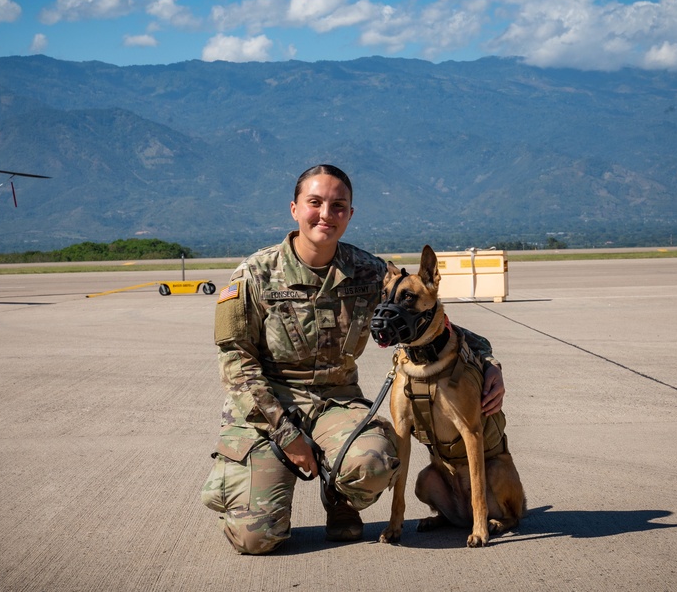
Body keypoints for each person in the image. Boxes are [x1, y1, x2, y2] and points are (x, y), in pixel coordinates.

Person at [200, 164, 506, 554]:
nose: (326, 214)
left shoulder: (370, 273)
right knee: (256, 539)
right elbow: (236, 367)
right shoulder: (253, 274)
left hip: (336, 403)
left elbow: (431, 322)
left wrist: (487, 359)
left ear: (349, 214)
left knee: (376, 461)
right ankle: (260, 488)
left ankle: (340, 493)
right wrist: (287, 435)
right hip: (268, 408)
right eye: (315, 203)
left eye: (338, 205)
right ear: (294, 208)